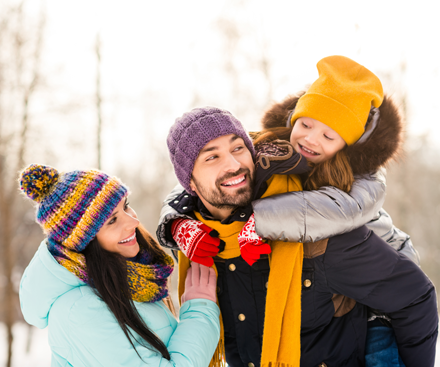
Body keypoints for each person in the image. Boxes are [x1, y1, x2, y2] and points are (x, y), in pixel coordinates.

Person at [158, 57, 437, 367]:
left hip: (381, 272)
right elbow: (191, 192)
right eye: (305, 125)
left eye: (329, 136)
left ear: (345, 145)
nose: (310, 139)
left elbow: (413, 295)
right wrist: (176, 223)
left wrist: (260, 221)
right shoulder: (215, 229)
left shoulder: (348, 190)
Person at [18, 164, 220, 367]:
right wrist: (199, 311)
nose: (133, 222)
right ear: (84, 243)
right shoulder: (79, 312)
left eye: (126, 206)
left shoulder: (127, 282)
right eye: (112, 221)